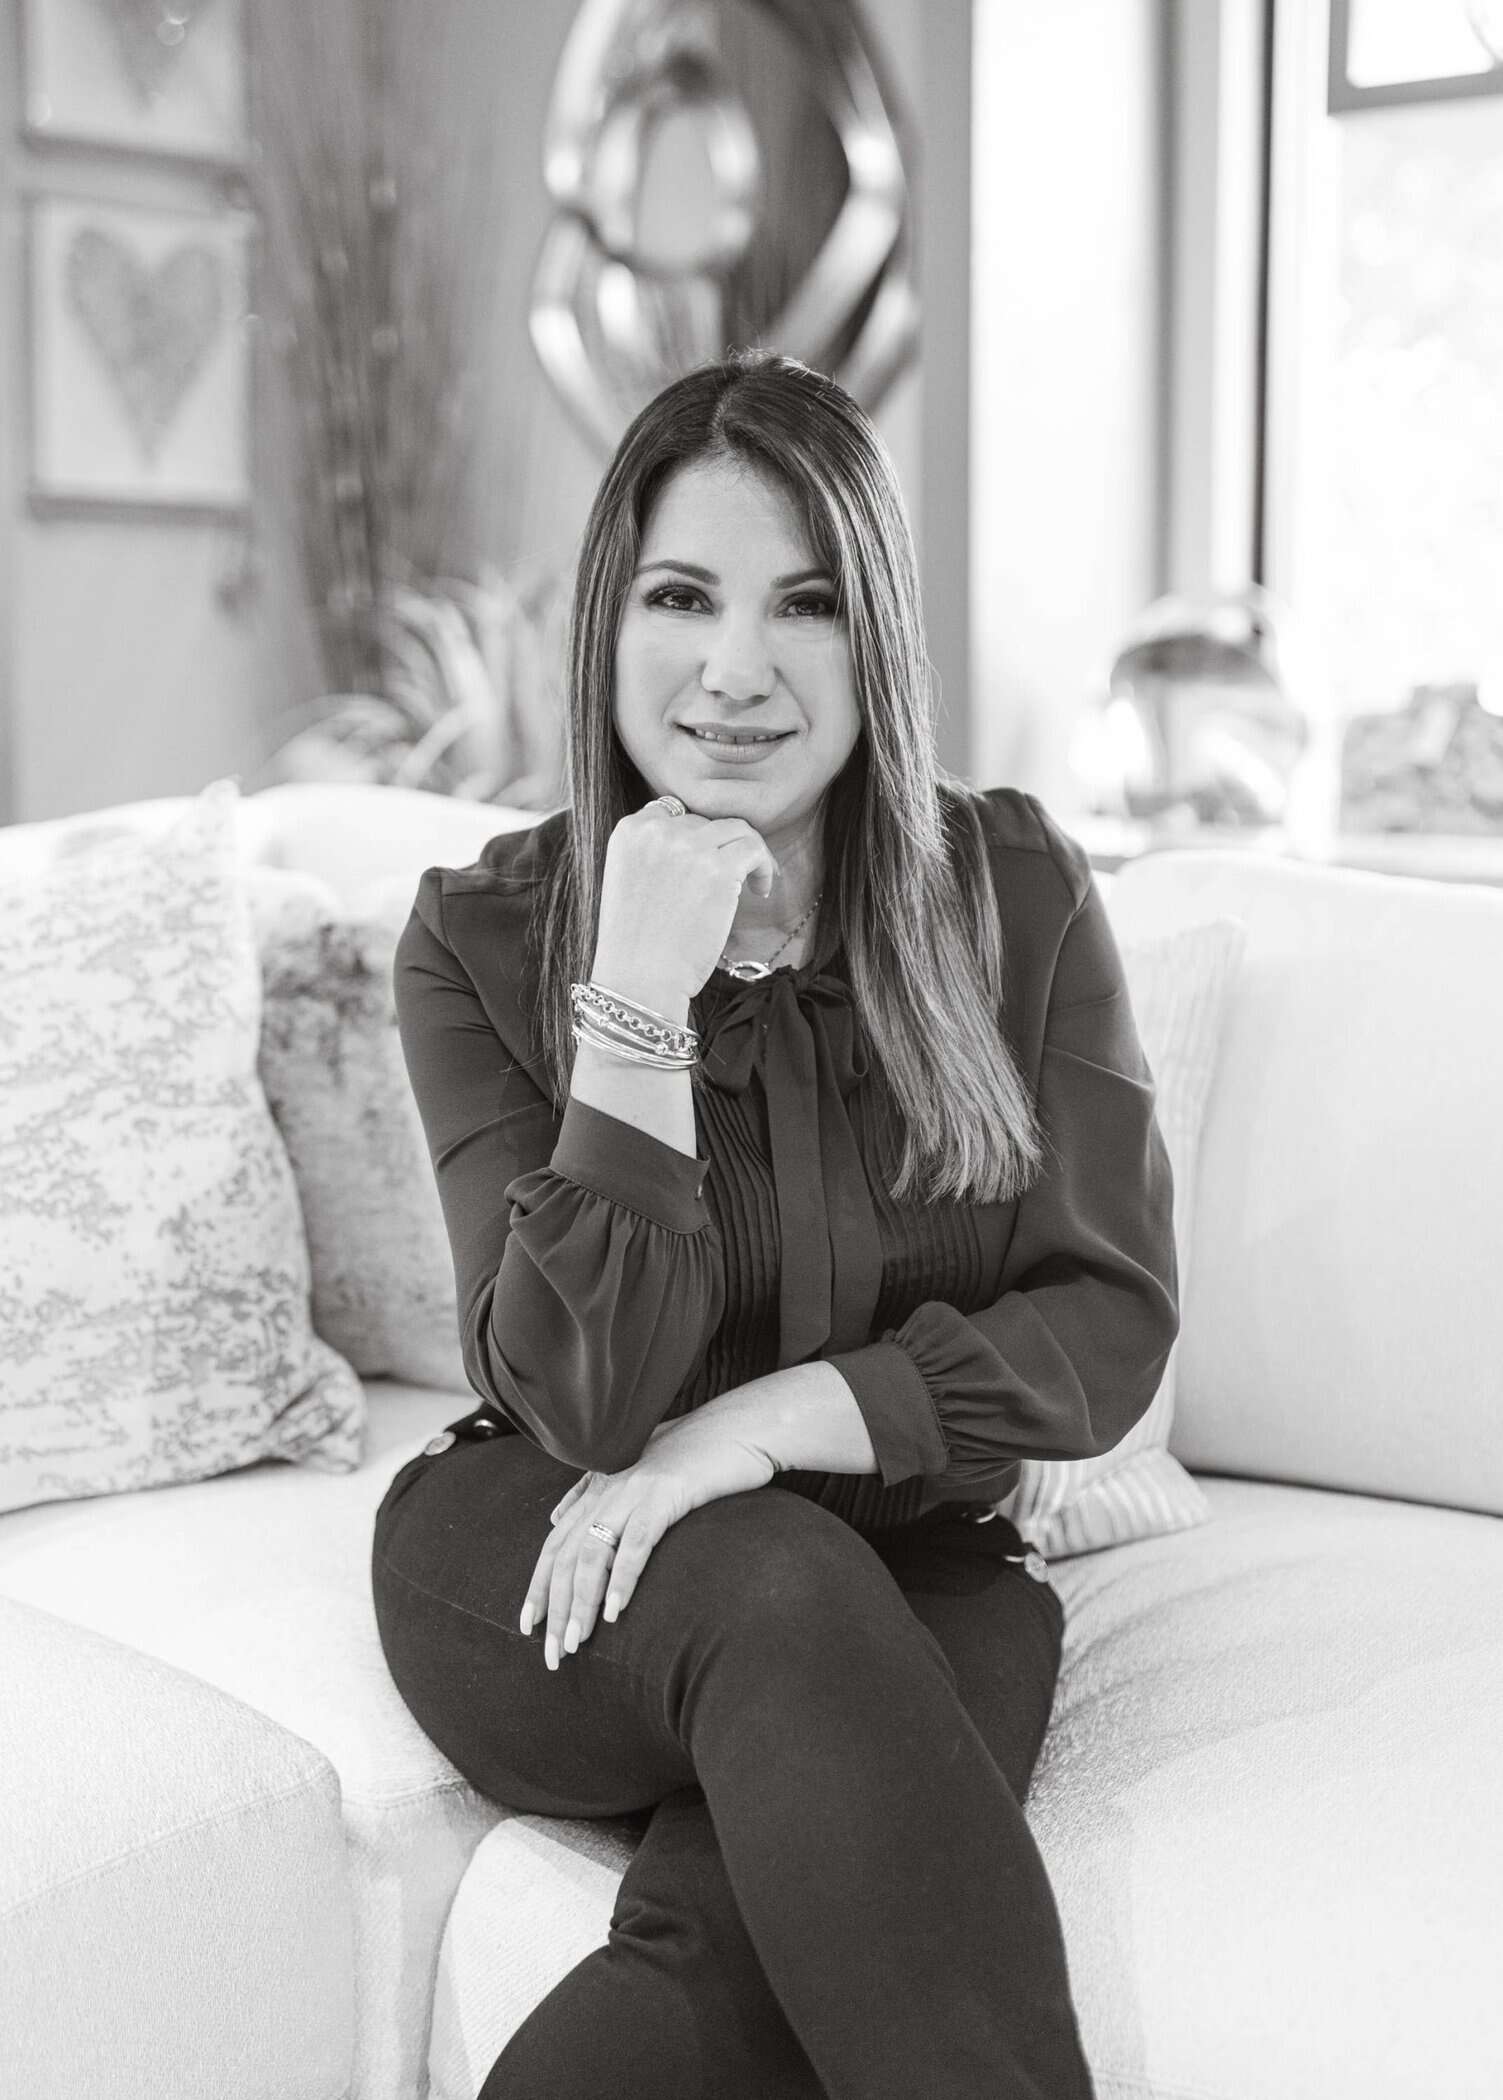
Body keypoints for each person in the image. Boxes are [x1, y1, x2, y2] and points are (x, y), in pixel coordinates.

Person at [372, 348, 1178, 2099]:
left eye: (805, 605)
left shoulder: (1014, 894)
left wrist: (754, 1430)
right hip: (544, 1548)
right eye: (682, 596)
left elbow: (1105, 1321)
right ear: (610, 623)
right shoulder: (484, 936)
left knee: (726, 1970)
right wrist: (640, 994)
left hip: (915, 1555)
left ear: (874, 640)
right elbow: (582, 1405)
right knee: (783, 1587)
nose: (737, 669)